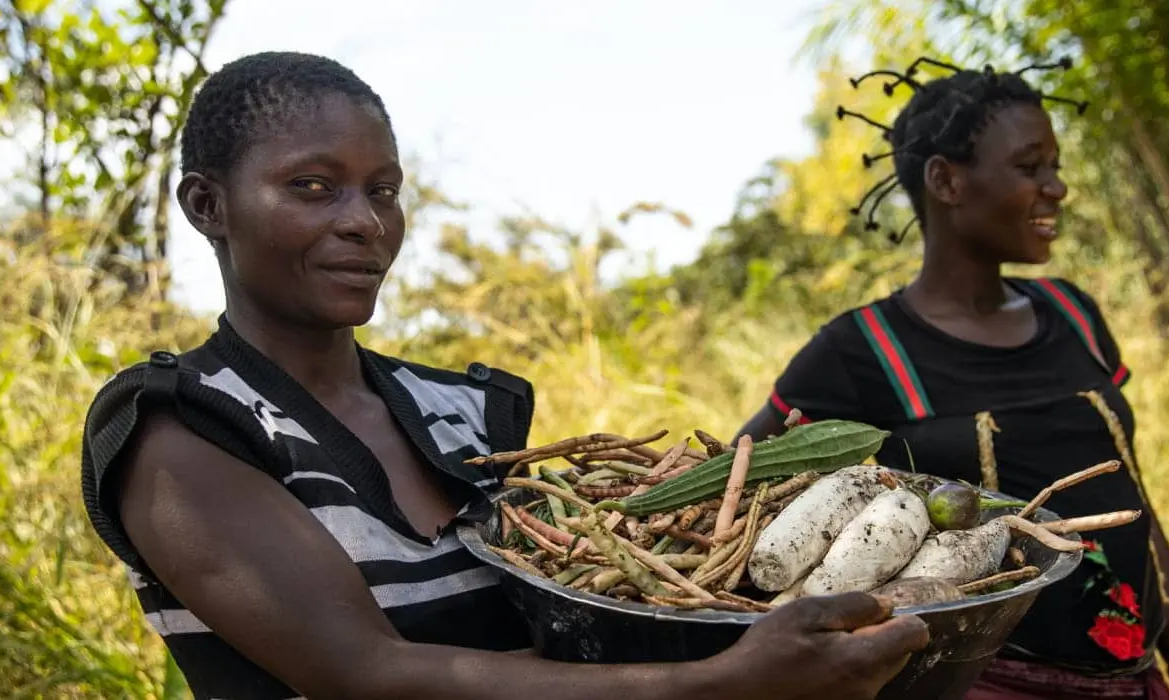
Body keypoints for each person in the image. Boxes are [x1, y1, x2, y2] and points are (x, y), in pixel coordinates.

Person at [77, 51, 928, 700]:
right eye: (312, 187)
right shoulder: (180, 432)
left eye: (383, 190)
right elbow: (368, 675)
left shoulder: (464, 415)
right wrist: (716, 684)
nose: (365, 223)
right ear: (207, 207)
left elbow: (579, 625)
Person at [734, 58, 1169, 700]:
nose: (1057, 188)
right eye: (1031, 168)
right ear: (946, 180)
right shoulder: (866, 348)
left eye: (1054, 166)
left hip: (1136, 679)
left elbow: (1133, 505)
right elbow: (736, 483)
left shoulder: (1073, 313)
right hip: (980, 683)